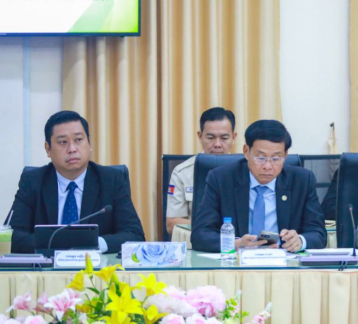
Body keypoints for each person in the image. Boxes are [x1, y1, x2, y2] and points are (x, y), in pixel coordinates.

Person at [9, 111, 145, 254]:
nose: (72, 149)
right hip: (48, 266)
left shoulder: (112, 180)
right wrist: (58, 243)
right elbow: (11, 237)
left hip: (96, 266)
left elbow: (135, 235)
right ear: (48, 149)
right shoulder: (33, 181)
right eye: (63, 142)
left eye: (78, 140)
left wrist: (93, 244)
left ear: (89, 143)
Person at [191, 120, 326, 252]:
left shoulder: (302, 180)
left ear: (285, 155)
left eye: (276, 158)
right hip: (237, 261)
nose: (267, 166)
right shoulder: (221, 179)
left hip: (284, 261)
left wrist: (300, 241)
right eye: (260, 158)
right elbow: (200, 235)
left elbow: (318, 233)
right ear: (246, 152)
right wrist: (235, 244)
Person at [166, 107, 237, 235]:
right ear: (200, 136)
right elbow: (171, 224)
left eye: (224, 138)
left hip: (238, 242)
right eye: (210, 137)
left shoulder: (246, 170)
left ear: (234, 137)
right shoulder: (182, 172)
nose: (217, 144)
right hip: (195, 243)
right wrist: (208, 229)